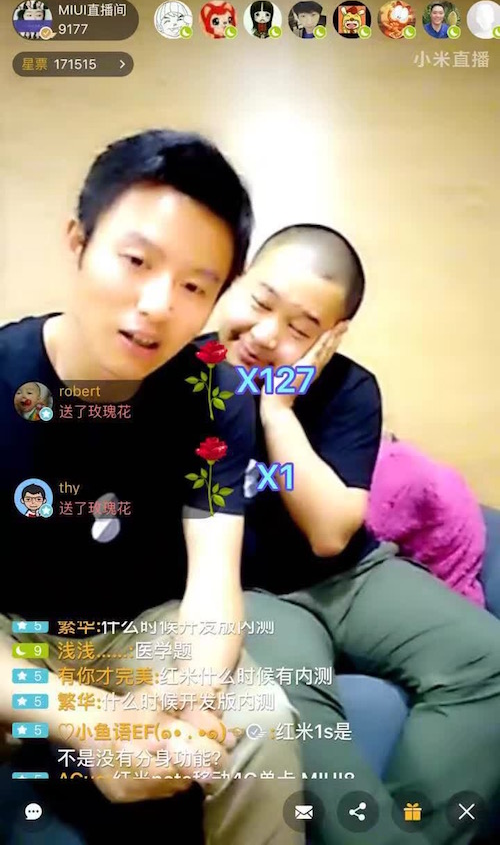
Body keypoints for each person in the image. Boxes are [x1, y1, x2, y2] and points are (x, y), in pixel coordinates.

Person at [0, 131, 303, 845]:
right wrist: (90, 722)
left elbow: (213, 584)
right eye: (136, 261)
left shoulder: (215, 394)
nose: (159, 304)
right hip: (13, 636)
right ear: (78, 242)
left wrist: (191, 701)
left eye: (195, 285)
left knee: (258, 723)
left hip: (136, 633)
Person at [205, 223, 500, 845]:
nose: (266, 335)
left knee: (489, 660)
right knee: (286, 706)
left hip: (354, 578)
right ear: (236, 282)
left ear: (331, 337)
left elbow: (329, 534)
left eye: (300, 327)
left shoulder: (349, 388)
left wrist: (277, 411)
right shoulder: (181, 374)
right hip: (249, 591)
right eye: (261, 303)